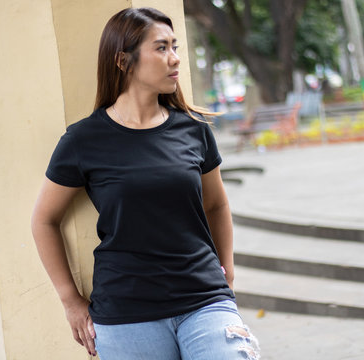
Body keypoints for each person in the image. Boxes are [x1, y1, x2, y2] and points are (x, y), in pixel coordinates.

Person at [31, 7, 260, 360]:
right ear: (124, 61)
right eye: (162, 48)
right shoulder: (83, 140)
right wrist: (70, 300)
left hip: (204, 299)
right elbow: (44, 220)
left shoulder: (194, 131)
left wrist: (226, 271)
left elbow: (216, 205)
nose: (175, 58)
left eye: (175, 46)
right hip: (126, 311)